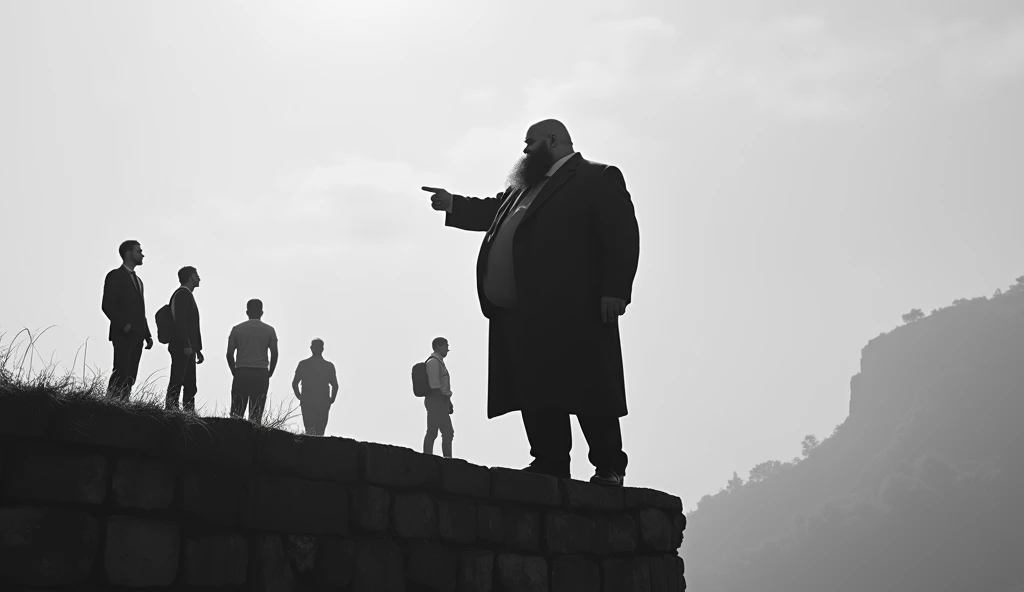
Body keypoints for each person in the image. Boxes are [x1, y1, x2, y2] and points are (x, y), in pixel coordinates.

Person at [422, 119, 640, 486]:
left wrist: (615, 290)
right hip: (523, 312)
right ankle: (550, 463)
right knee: (536, 386)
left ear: (552, 141)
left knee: (589, 388)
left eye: (530, 143)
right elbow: (492, 212)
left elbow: (622, 235)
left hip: (575, 308)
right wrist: (453, 204)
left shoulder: (596, 177)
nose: (524, 151)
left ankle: (608, 466)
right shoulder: (522, 187)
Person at [101, 240, 154, 400]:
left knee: (131, 375)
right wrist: (124, 326)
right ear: (128, 253)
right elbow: (107, 305)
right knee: (120, 371)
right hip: (123, 334)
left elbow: (140, 310)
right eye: (139, 251)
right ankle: (111, 403)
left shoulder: (138, 281)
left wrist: (147, 334)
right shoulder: (115, 276)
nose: (142, 254)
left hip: (137, 335)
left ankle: (123, 403)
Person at [226, 299, 279, 424]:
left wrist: (235, 371)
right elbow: (275, 354)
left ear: (247, 312)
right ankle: (254, 442)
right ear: (262, 312)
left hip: (241, 372)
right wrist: (270, 371)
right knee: (256, 416)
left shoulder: (237, 329)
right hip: (261, 373)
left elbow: (229, 354)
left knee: (236, 414)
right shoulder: (269, 330)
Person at [165, 266, 204, 412]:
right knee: (177, 379)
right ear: (190, 277)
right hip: (182, 346)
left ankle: (188, 413)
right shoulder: (182, 294)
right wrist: (187, 344)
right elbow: (179, 321)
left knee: (189, 384)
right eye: (197, 275)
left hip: (188, 347)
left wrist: (197, 349)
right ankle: (171, 410)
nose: (199, 278)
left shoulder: (186, 294)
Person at [291, 338, 339, 436]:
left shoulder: (304, 364)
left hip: (312, 401)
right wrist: (331, 399)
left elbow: (295, 383)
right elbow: (335, 385)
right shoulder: (327, 366)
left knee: (311, 431)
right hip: (319, 401)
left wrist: (300, 397)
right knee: (318, 431)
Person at [422, 337, 455, 458]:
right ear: (437, 347)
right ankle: (431, 457)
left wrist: (448, 403)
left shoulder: (438, 361)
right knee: (442, 432)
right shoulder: (433, 362)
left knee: (437, 431)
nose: (447, 349)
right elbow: (434, 385)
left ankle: (429, 457)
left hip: (439, 400)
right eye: (445, 346)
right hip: (436, 400)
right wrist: (442, 402)